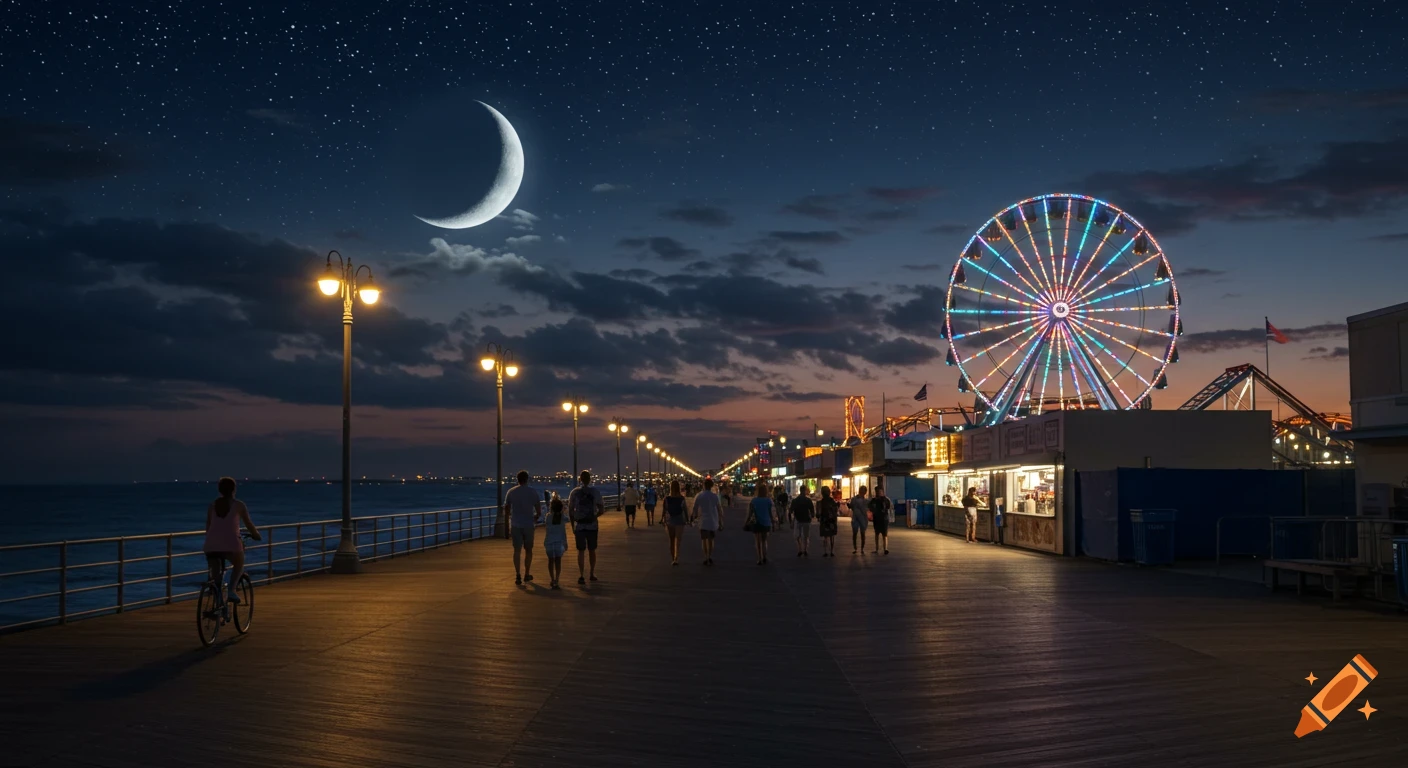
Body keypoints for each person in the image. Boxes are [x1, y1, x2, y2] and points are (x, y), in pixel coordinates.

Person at [202, 477, 262, 603]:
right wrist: (256, 535)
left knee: (216, 576)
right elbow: (249, 524)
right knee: (239, 564)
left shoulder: (211, 506)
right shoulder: (239, 505)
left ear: (219, 490)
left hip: (211, 545)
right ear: (234, 489)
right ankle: (232, 590)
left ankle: (216, 602)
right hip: (231, 545)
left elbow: (208, 527)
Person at [504, 470, 543, 585]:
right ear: (527, 479)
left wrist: (507, 525)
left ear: (517, 479)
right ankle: (527, 573)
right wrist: (535, 519)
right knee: (529, 550)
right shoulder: (533, 492)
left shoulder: (511, 492)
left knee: (517, 550)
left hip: (516, 524)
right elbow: (539, 511)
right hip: (528, 525)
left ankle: (517, 575)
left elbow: (506, 510)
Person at [568, 470, 605, 585]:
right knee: (592, 550)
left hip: (579, 525)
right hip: (592, 525)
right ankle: (592, 573)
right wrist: (594, 517)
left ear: (580, 479)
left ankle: (581, 575)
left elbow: (570, 510)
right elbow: (602, 509)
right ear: (590, 479)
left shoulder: (574, 493)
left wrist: (572, 524)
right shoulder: (595, 492)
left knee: (581, 551)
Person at [691, 477, 722, 565]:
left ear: (703, 485)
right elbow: (719, 508)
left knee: (704, 540)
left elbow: (695, 508)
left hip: (703, 521)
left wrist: (693, 517)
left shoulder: (699, 495)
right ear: (711, 486)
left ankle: (705, 557)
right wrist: (721, 519)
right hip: (713, 521)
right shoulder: (714, 496)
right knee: (711, 540)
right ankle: (709, 556)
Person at [543, 493, 568, 589]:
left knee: (550, 561)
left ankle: (552, 579)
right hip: (559, 543)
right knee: (558, 561)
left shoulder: (548, 517)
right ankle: (557, 579)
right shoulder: (563, 518)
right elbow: (566, 524)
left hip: (549, 542)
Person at [664, 479, 689, 566]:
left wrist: (664, 520)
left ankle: (672, 558)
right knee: (678, 540)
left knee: (671, 540)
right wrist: (688, 519)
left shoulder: (667, 498)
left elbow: (665, 510)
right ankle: (676, 558)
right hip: (679, 520)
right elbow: (685, 509)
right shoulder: (681, 498)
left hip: (670, 520)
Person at [749, 482, 775, 565]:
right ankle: (764, 557)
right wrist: (773, 522)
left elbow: (750, 513)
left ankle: (759, 558)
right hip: (766, 523)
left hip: (757, 523)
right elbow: (771, 513)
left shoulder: (754, 500)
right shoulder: (768, 500)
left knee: (758, 541)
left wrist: (747, 521)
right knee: (764, 541)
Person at [790, 488, 815, 557]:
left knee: (797, 536)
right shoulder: (808, 500)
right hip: (807, 520)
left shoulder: (795, 500)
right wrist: (812, 516)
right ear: (805, 491)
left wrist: (791, 521)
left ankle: (800, 548)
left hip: (798, 519)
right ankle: (805, 549)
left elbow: (791, 510)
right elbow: (812, 510)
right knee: (806, 536)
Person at [869, 482, 893, 555]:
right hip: (876, 519)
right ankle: (877, 549)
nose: (878, 493)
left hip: (884, 519)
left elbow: (889, 507)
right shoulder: (873, 500)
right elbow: (870, 507)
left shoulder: (886, 499)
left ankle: (885, 548)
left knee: (884, 534)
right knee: (877, 534)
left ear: (882, 492)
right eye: (877, 492)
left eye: (880, 491)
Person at [816, 484, 839, 557]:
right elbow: (835, 510)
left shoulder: (820, 502)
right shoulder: (832, 501)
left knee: (825, 536)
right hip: (832, 520)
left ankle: (825, 551)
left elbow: (818, 512)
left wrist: (818, 517)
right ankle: (831, 551)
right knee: (832, 536)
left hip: (824, 520)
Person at [849, 485, 869, 554]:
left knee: (855, 533)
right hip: (862, 518)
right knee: (862, 534)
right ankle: (861, 549)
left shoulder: (854, 499)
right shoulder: (865, 500)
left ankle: (856, 548)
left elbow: (851, 507)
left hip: (856, 517)